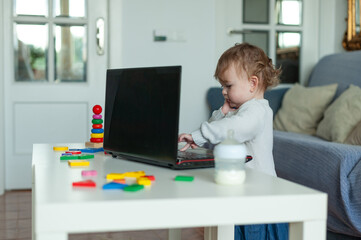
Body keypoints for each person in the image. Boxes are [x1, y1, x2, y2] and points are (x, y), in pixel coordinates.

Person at [178, 42, 288, 240]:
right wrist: (222, 112)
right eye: (222, 86)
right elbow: (218, 125)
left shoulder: (257, 111)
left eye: (228, 85)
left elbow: (232, 130)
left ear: (252, 84)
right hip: (242, 190)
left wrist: (199, 135)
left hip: (258, 198)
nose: (223, 91)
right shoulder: (241, 110)